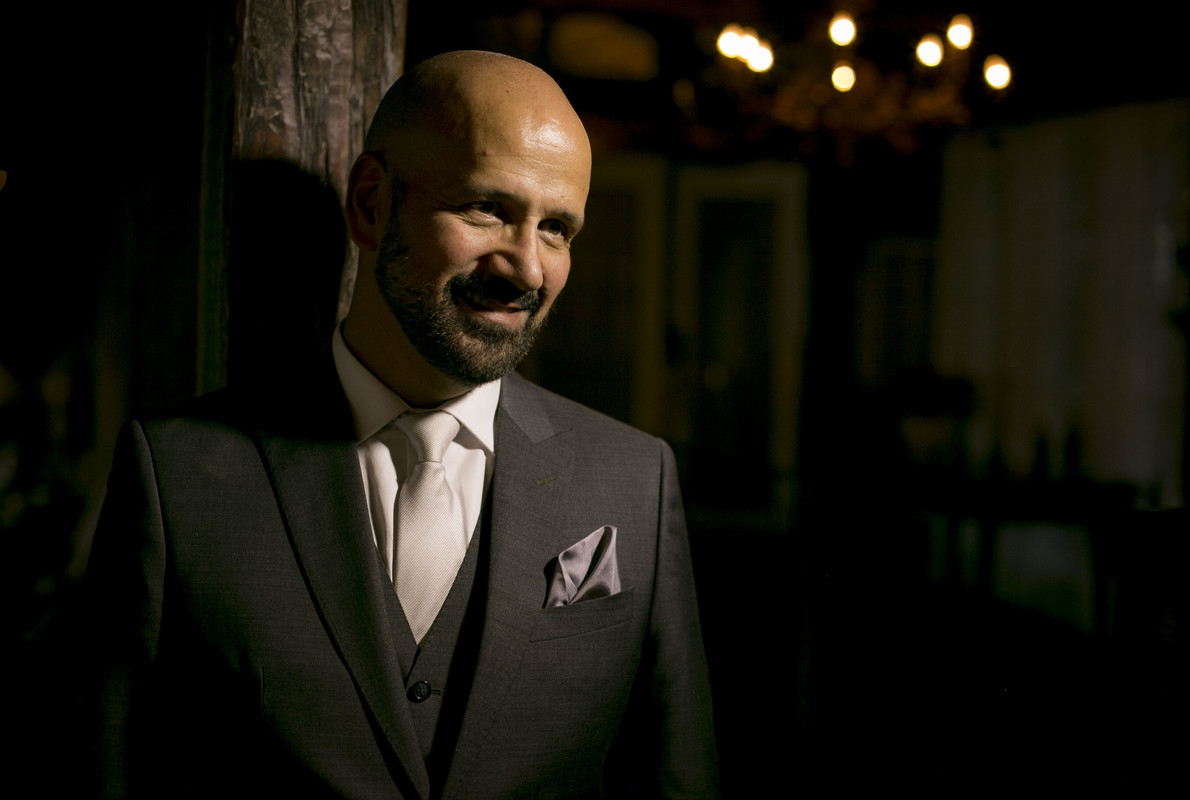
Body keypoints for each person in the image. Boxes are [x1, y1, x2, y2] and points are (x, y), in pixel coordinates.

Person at [84, 50, 718, 798]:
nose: (527, 268)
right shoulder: (179, 478)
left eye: (556, 229)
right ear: (371, 203)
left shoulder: (634, 482)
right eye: (488, 208)